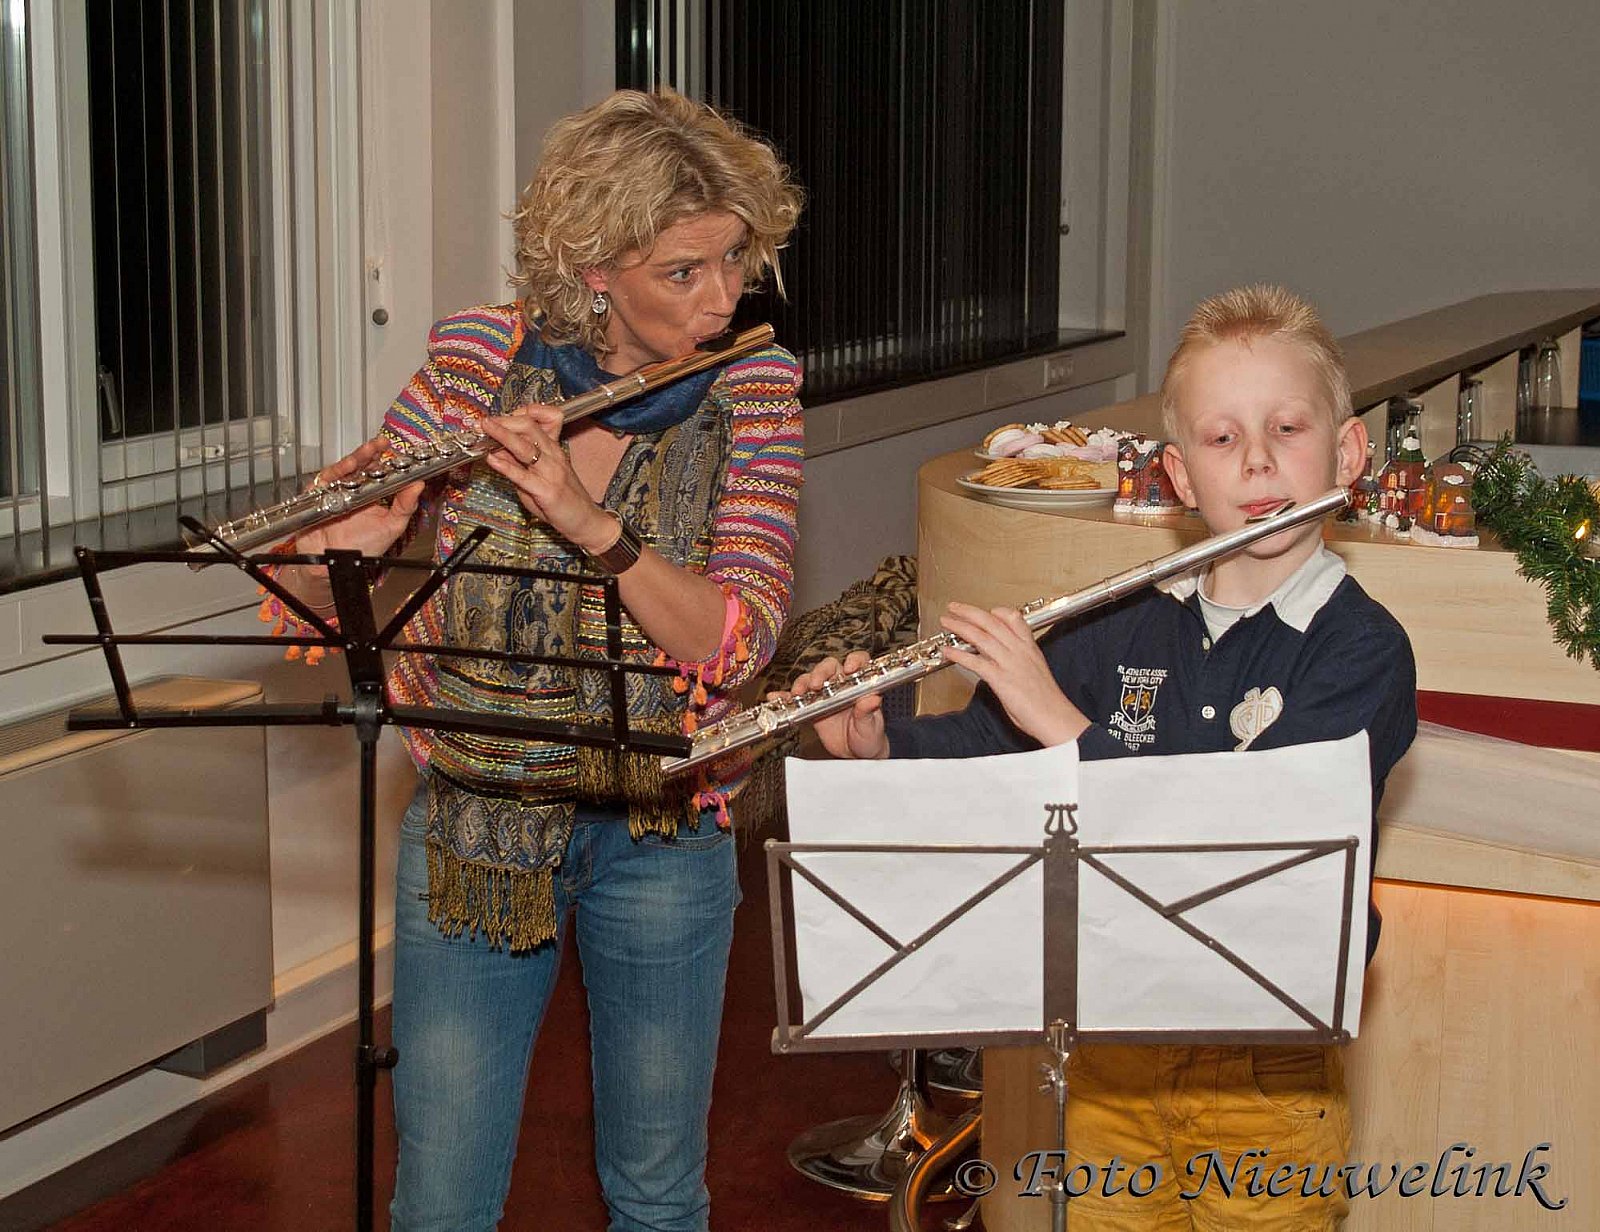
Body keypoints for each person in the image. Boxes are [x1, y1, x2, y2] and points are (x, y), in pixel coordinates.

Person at [264, 89, 803, 1231]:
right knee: (441, 1201)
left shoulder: (754, 389)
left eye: (733, 261)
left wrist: (592, 525)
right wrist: (341, 547)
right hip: (477, 825)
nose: (720, 300)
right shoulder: (479, 361)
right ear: (596, 268)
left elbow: (738, 636)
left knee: (658, 1196)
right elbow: (320, 582)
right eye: (683, 271)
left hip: (663, 830)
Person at [789, 285, 1418, 1229]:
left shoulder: (1360, 649)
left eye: (1287, 428)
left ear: (1349, 452)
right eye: (1221, 438)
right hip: (1112, 1045)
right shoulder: (1124, 623)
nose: (1257, 460)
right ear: (1178, 477)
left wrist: (1060, 720)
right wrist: (881, 747)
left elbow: (1245, 829)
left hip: (1264, 1067)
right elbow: (991, 747)